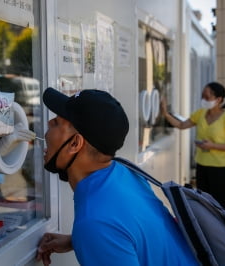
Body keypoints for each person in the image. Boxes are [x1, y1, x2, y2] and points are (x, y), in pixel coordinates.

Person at [36, 88, 198, 265]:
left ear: (75, 143)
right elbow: (136, 229)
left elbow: (105, 224)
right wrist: (79, 240)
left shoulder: (95, 223)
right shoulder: (124, 173)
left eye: (57, 122)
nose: (49, 123)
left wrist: (93, 237)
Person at [161, 82, 225, 208]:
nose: (204, 99)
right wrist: (166, 114)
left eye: (207, 97)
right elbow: (181, 125)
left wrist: (212, 146)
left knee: (221, 207)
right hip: (202, 167)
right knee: (204, 205)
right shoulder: (200, 114)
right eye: (202, 96)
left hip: (221, 170)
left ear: (219, 99)